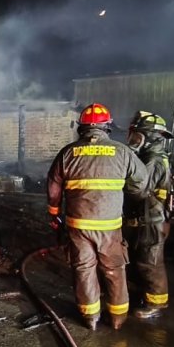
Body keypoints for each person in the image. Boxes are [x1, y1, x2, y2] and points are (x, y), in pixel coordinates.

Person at [47, 103, 149, 331]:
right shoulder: (122, 152)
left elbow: (54, 187)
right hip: (110, 226)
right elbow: (141, 183)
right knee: (114, 269)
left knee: (84, 269)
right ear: (107, 127)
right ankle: (116, 319)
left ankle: (90, 318)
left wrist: (54, 213)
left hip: (78, 225)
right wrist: (127, 191)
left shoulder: (68, 153)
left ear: (81, 128)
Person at [124, 111, 174, 319]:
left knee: (150, 261)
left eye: (137, 135)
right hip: (146, 217)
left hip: (152, 218)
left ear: (148, 136)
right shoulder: (148, 156)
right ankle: (143, 294)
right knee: (140, 257)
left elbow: (141, 190)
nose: (133, 139)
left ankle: (156, 304)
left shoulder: (153, 159)